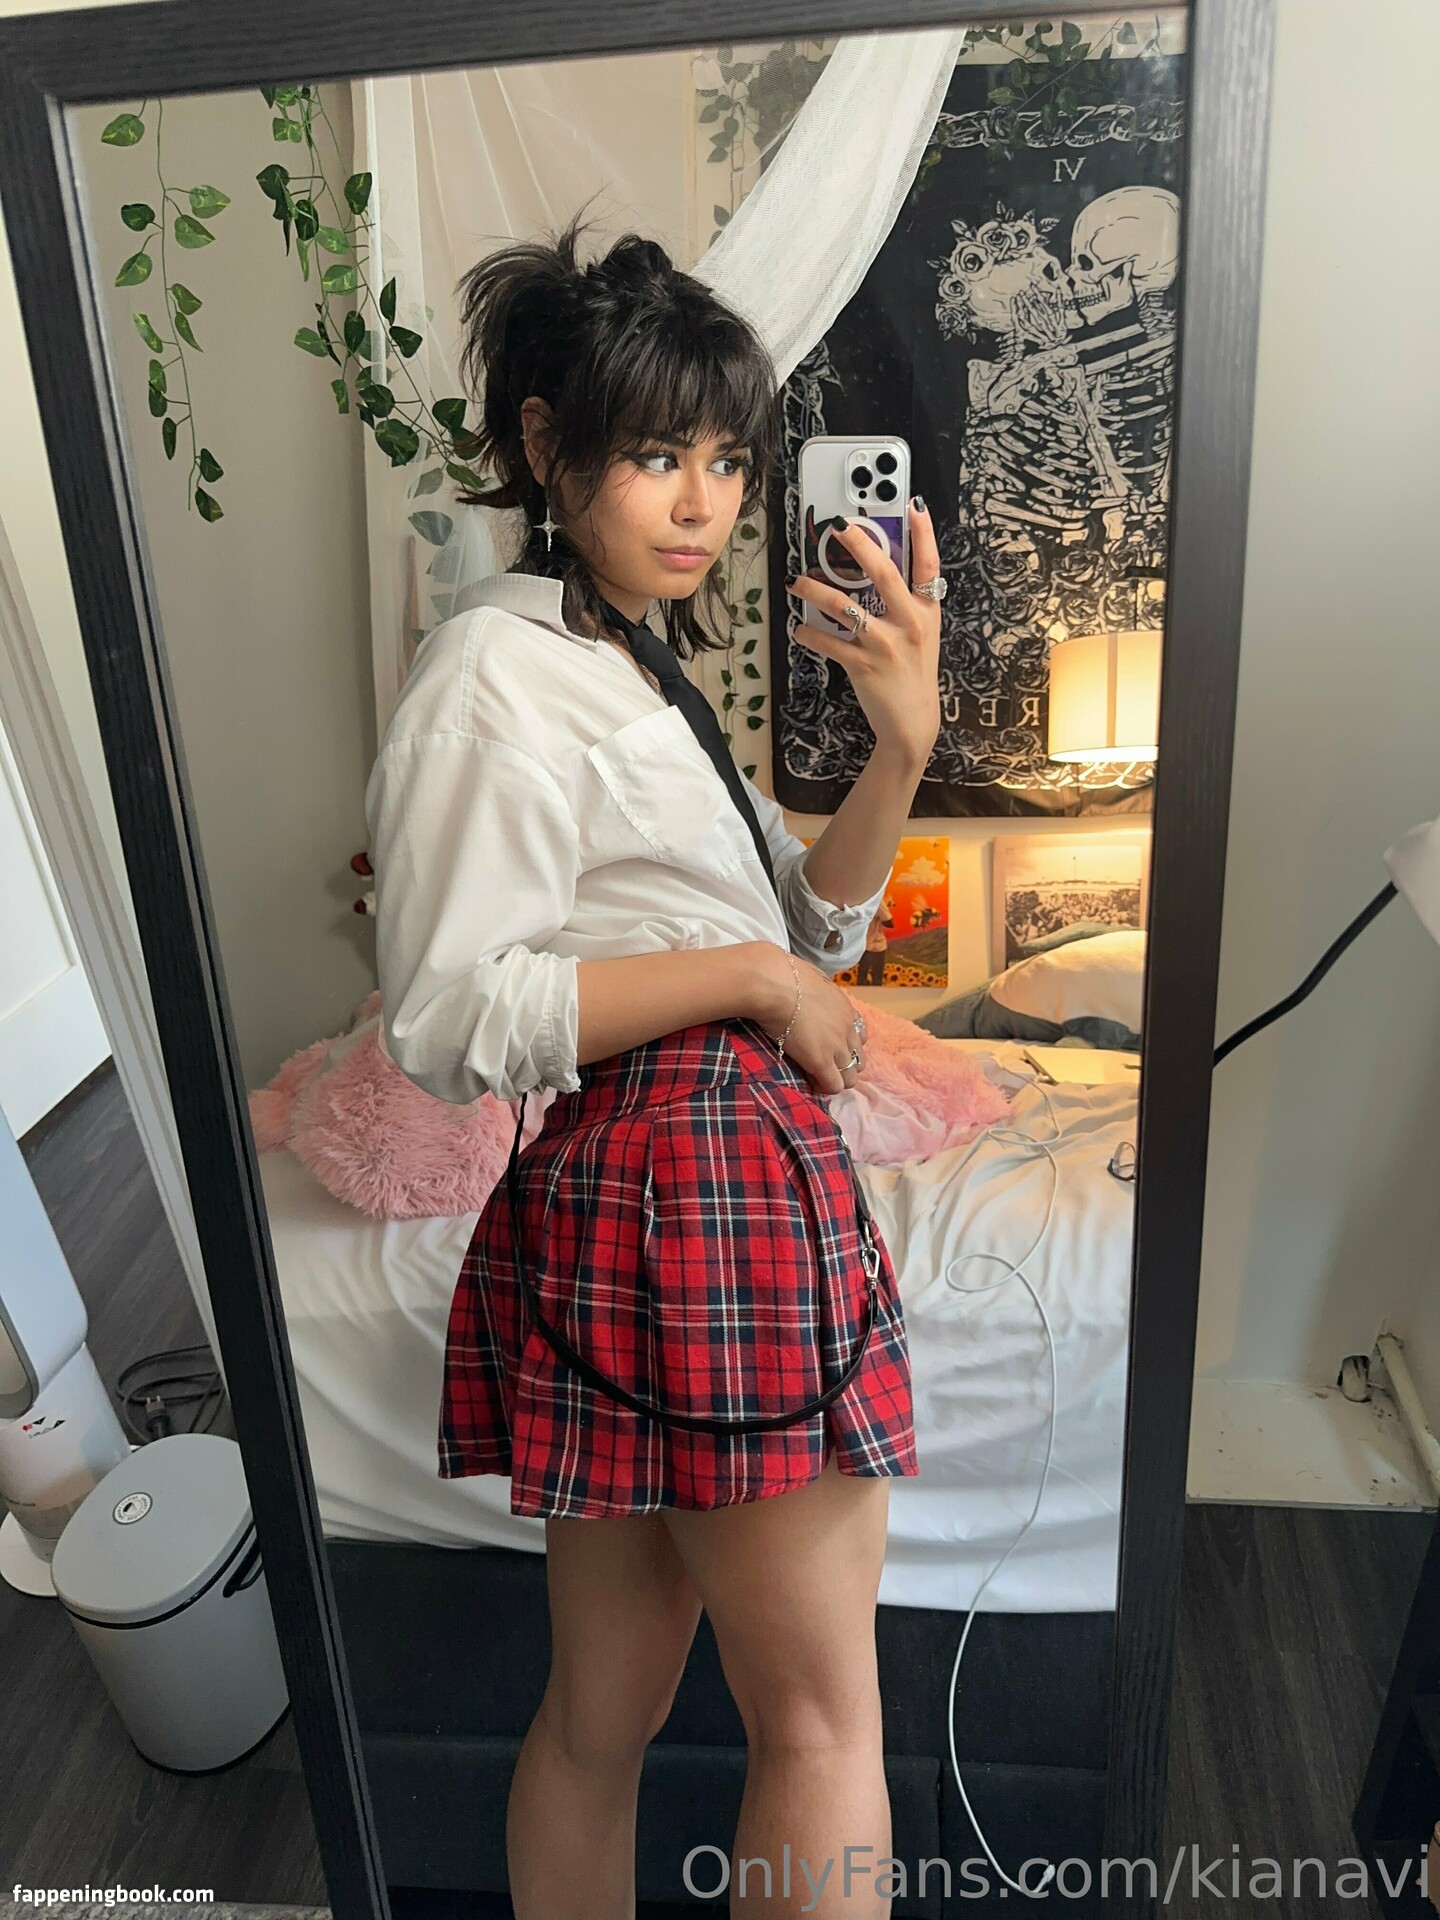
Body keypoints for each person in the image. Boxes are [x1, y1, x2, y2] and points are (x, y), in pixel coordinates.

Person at [364, 215, 944, 1920]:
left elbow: (815, 931)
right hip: (701, 1187)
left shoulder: (631, 665)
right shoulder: (499, 669)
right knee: (819, 1724)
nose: (704, 503)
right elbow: (446, 1012)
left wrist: (900, 750)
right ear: (548, 446)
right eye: (655, 456)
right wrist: (755, 978)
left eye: (726, 461)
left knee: (599, 1719)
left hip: (640, 1196)